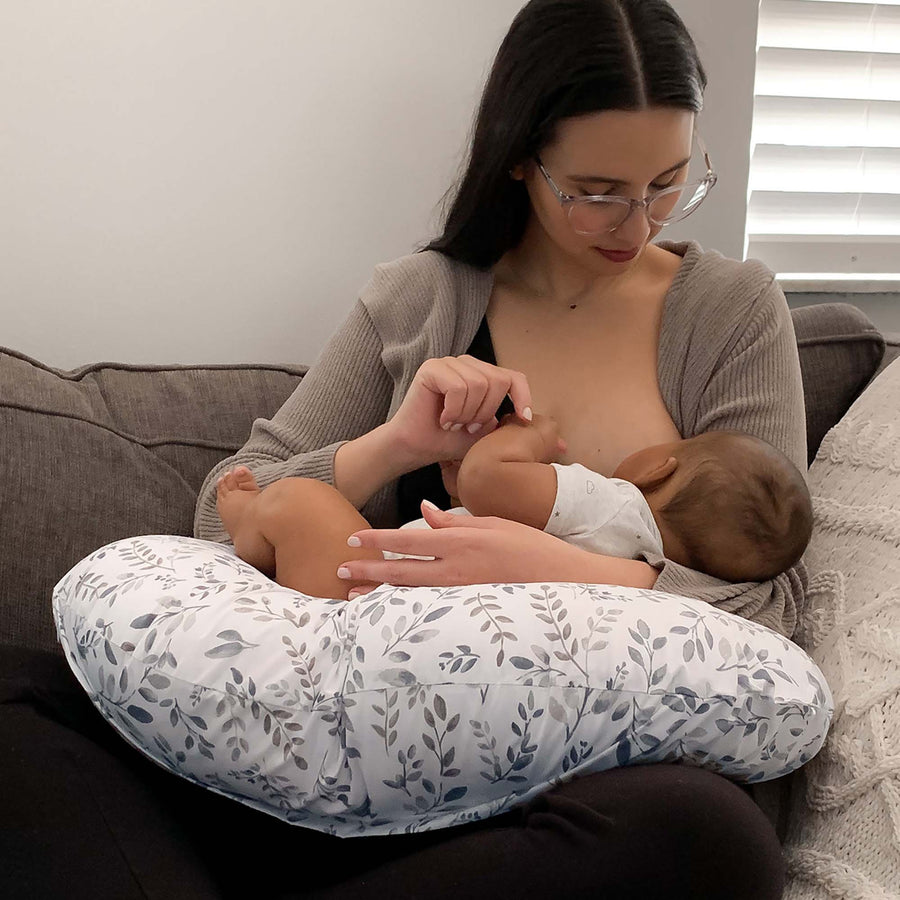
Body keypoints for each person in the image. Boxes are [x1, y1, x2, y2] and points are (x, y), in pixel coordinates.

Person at [1, 2, 794, 898]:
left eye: (669, 182)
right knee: (24, 693)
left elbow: (777, 589)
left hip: (568, 793)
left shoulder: (728, 311)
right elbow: (229, 498)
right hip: (371, 741)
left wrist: (537, 564)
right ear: (520, 163)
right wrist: (390, 446)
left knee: (708, 838)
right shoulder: (419, 299)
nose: (637, 222)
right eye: (597, 190)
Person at [214, 414, 813, 598]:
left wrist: (529, 436)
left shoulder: (613, 505)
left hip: (372, 598)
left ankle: (249, 526)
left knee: (299, 500)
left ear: (661, 467)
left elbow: (486, 478)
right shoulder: (668, 580)